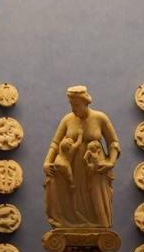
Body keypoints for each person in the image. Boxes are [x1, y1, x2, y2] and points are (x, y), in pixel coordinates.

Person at [43, 86, 120, 228]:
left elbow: (113, 143)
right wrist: (47, 162)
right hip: (72, 166)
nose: (73, 109)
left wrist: (111, 162)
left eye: (76, 105)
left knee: (96, 200)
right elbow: (55, 143)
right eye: (71, 105)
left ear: (85, 102)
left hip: (94, 167)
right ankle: (70, 223)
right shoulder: (67, 119)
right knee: (54, 179)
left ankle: (100, 226)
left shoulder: (100, 118)